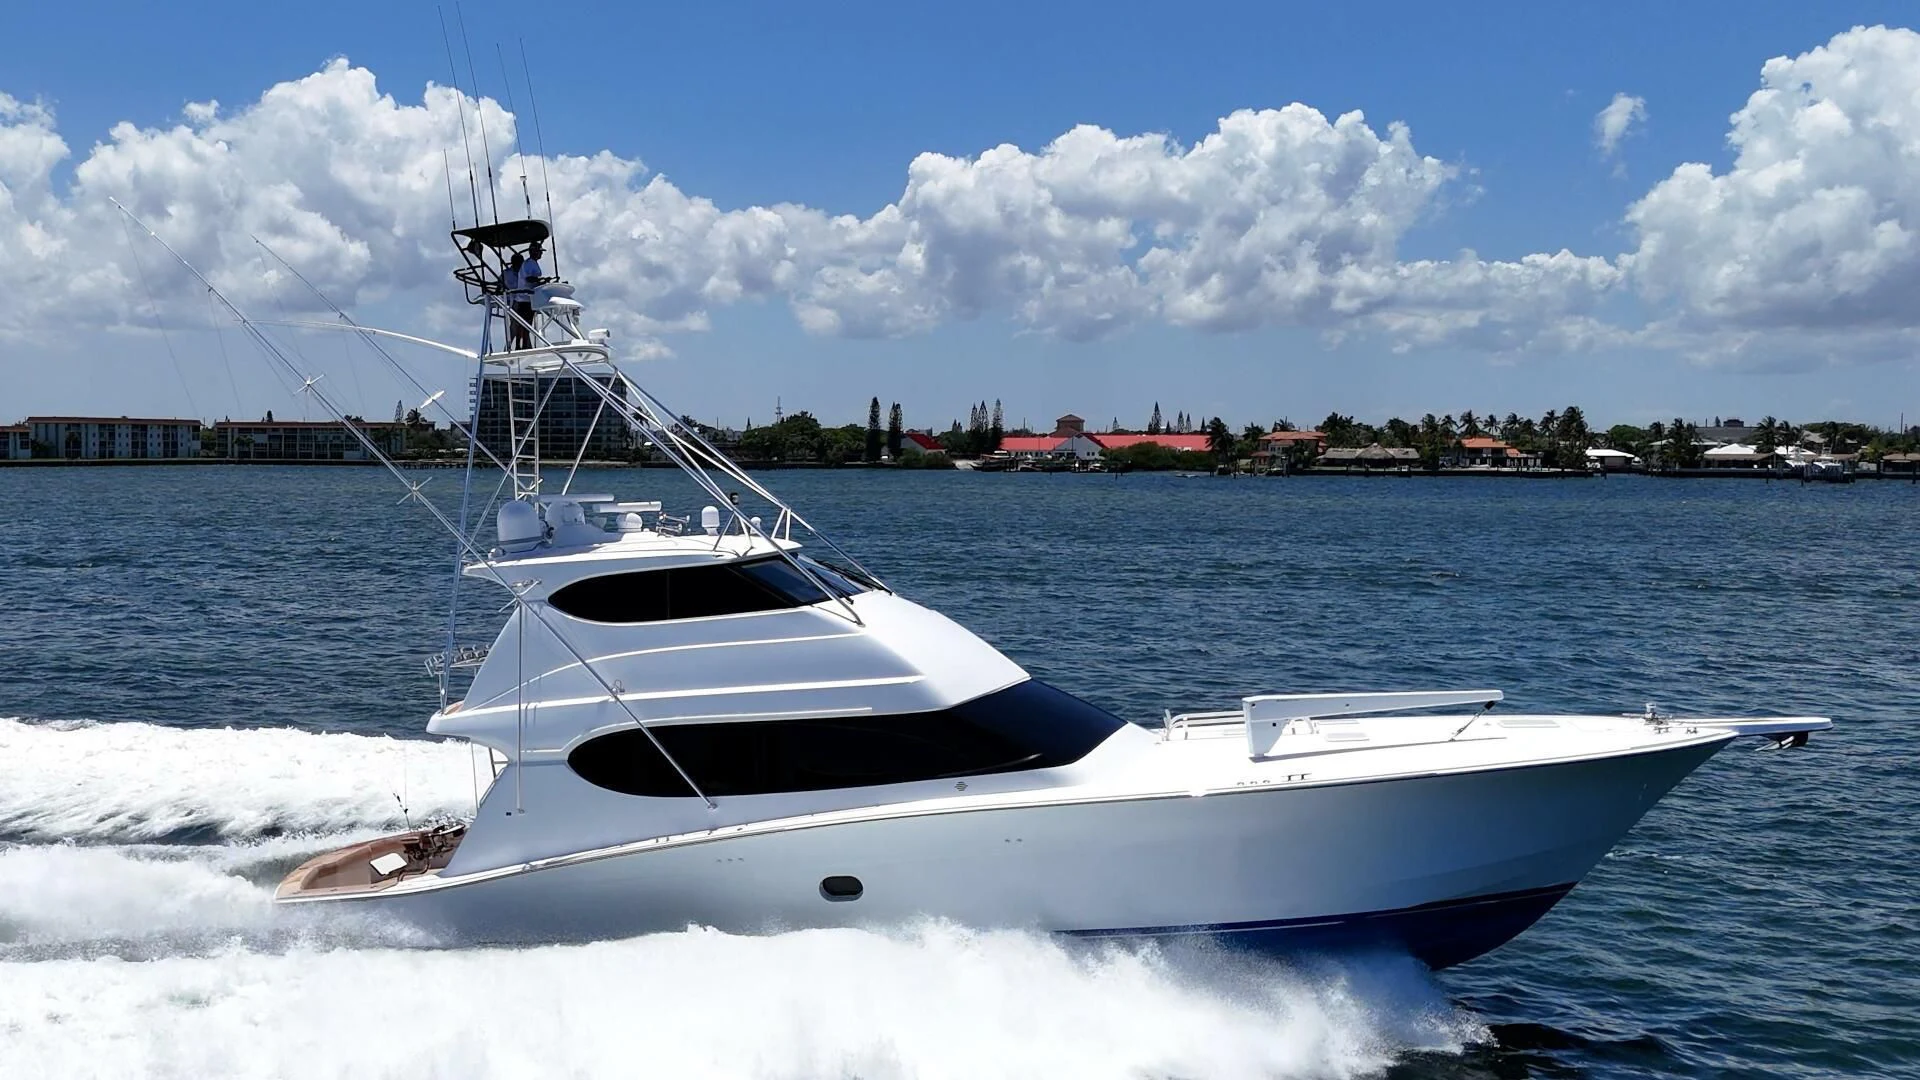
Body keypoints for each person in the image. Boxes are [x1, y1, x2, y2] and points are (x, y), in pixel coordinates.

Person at [503, 251, 530, 350]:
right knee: (516, 323)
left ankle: (527, 345)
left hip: (522, 299)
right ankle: (508, 347)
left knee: (526, 323)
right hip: (511, 300)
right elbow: (499, 284)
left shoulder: (522, 274)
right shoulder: (506, 274)